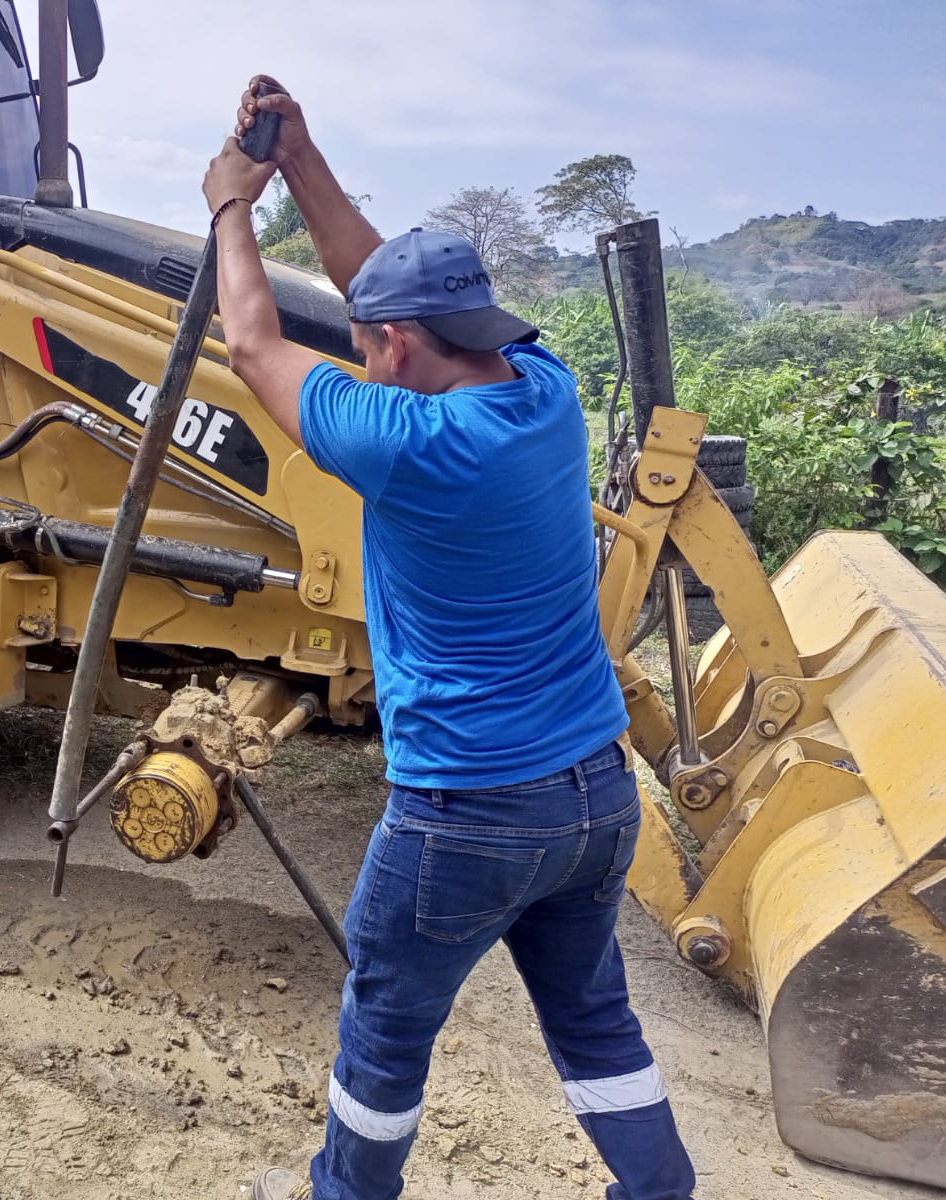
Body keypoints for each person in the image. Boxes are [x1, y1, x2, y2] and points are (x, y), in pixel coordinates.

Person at [201, 78, 696, 1200]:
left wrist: (232, 202)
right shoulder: (544, 388)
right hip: (594, 793)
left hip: (467, 811)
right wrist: (302, 161)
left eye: (369, 340)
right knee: (593, 1019)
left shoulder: (409, 443)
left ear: (393, 347)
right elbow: (383, 293)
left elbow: (251, 342)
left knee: (385, 1031)